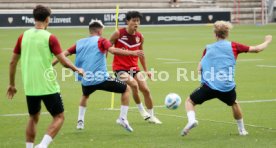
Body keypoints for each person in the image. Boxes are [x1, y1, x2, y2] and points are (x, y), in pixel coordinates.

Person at [6, 5, 83, 148]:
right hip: (48, 86)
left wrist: (11, 84)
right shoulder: (50, 38)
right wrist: (76, 69)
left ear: (34, 18)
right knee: (59, 117)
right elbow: (63, 61)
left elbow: (12, 62)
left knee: (33, 117)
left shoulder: (23, 36)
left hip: (30, 87)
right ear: (48, 19)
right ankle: (42, 146)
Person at [181, 21, 272, 136]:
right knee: (234, 103)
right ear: (227, 33)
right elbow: (257, 49)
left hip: (208, 86)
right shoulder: (234, 46)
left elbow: (199, 67)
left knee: (189, 101)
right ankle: (242, 130)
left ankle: (191, 120)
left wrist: (203, 74)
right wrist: (267, 40)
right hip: (227, 87)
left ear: (215, 34)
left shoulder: (208, 48)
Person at [53, 19, 144, 132]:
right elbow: (113, 50)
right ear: (100, 31)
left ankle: (80, 122)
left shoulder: (80, 42)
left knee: (85, 96)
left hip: (86, 79)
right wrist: (133, 52)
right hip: (102, 79)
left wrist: (51, 65)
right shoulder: (101, 41)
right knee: (126, 89)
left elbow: (62, 55)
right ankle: (122, 118)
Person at [110, 11, 162, 124]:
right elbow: (107, 47)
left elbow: (141, 54)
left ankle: (152, 116)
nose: (136, 23)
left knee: (146, 90)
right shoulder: (118, 34)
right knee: (134, 84)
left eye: (138, 21)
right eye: (133, 20)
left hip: (134, 68)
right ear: (127, 21)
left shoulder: (140, 37)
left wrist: (146, 70)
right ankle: (142, 111)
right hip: (119, 68)